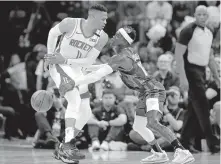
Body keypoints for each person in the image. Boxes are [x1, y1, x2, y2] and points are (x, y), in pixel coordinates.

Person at [73, 26, 194, 164]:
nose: (113, 37)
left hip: (153, 90)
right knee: (139, 126)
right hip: (145, 92)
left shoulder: (121, 57)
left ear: (123, 40)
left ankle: (182, 151)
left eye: (117, 36)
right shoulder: (126, 52)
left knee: (153, 122)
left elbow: (98, 75)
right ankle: (159, 153)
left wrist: (74, 82)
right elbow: (104, 67)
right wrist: (84, 67)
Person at [44, 4, 108, 163]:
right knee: (74, 99)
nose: (105, 22)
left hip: (76, 68)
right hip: (59, 66)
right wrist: (50, 55)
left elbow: (88, 61)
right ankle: (68, 147)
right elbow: (52, 34)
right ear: (92, 17)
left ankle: (64, 146)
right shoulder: (70, 23)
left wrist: (65, 59)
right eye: (103, 18)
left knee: (86, 112)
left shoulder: (102, 36)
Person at [175, 5, 220, 153]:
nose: (201, 17)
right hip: (190, 69)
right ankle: (212, 141)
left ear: (208, 16)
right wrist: (182, 78)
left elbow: (211, 57)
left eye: (204, 14)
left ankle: (184, 143)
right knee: (202, 104)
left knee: (194, 109)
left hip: (201, 71)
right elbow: (178, 55)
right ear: (194, 15)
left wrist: (216, 77)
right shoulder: (187, 30)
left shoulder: (209, 32)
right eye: (199, 14)